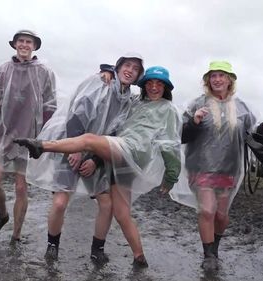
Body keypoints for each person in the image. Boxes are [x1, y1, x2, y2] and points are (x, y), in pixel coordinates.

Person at [15, 66, 182, 268]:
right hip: (115, 155)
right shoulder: (134, 102)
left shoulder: (168, 109)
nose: (154, 87)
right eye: (150, 83)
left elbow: (170, 143)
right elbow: (115, 120)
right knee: (120, 212)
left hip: (132, 151)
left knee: (88, 140)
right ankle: (140, 258)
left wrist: (172, 175)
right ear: (144, 85)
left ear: (166, 88)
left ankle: (42, 146)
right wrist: (107, 70)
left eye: (160, 84)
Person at [24, 53, 143, 265]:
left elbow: (116, 134)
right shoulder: (101, 84)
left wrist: (95, 160)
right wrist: (74, 150)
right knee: (60, 202)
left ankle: (97, 249)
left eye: (135, 69)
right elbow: (76, 114)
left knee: (106, 205)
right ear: (117, 68)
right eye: (127, 65)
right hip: (71, 143)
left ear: (137, 76)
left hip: (96, 153)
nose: (130, 70)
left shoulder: (128, 100)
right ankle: (52, 245)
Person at [169, 61, 263, 271]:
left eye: (222, 75)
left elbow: (252, 134)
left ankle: (214, 249)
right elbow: (180, 134)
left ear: (230, 80)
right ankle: (208, 255)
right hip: (200, 167)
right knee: (207, 211)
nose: (217, 79)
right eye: (213, 76)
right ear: (208, 80)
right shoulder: (197, 103)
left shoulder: (242, 107)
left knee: (221, 215)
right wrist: (195, 121)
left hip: (229, 169)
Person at [0, 29, 57, 242]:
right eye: (20, 41)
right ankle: (2, 214)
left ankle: (16, 234)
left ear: (34, 46)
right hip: (1, 134)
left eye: (29, 42)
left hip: (29, 135)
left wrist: (44, 137)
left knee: (21, 186)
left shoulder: (45, 72)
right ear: (14, 44)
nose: (24, 45)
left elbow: (50, 105)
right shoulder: (0, 71)